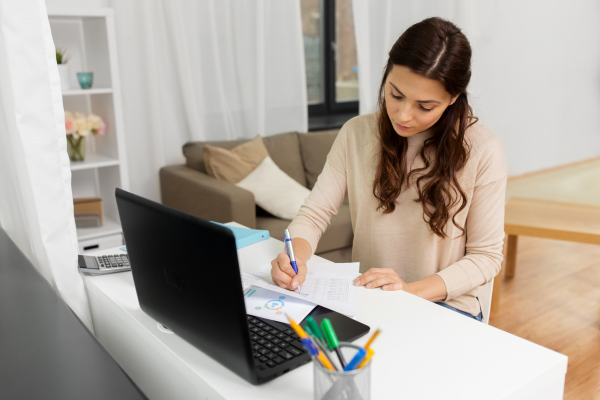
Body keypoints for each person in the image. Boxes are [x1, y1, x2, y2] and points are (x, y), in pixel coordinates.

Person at [270, 17, 507, 321]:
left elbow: (485, 258)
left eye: (424, 106)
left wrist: (409, 291)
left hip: (446, 307)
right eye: (395, 95)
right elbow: (314, 214)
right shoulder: (356, 133)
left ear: (453, 98)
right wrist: (295, 258)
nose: (403, 115)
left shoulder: (482, 149)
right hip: (371, 298)